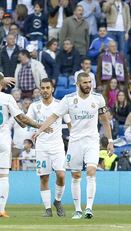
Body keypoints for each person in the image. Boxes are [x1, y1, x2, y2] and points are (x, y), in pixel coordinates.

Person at [34, 72, 114, 219]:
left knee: (91, 171)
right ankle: (78, 210)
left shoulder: (98, 98)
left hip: (91, 141)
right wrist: (39, 130)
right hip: (75, 142)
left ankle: (89, 208)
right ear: (77, 84)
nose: (88, 85)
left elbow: (104, 121)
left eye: (89, 82)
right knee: (76, 175)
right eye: (84, 83)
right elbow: (54, 116)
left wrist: (110, 141)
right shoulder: (69, 99)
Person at [0, 71, 46, 218]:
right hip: (3, 141)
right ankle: (1, 209)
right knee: (4, 176)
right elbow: (22, 118)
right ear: (2, 83)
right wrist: (39, 126)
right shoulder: (7, 98)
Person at [26, 78, 71, 217]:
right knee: (44, 178)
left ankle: (57, 201)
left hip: (57, 146)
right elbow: (28, 120)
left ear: (52, 89)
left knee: (61, 175)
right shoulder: (34, 106)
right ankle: (47, 209)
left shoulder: (60, 105)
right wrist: (39, 127)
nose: (45, 90)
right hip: (41, 146)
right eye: (43, 88)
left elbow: (69, 123)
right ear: (40, 89)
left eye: (47, 88)